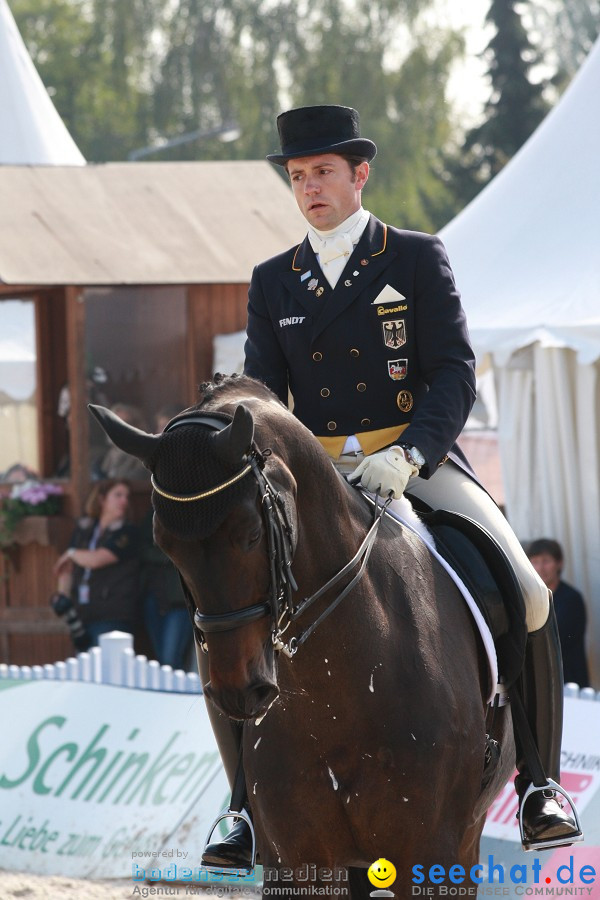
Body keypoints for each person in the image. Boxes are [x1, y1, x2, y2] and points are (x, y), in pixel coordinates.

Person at [201, 105, 580, 868]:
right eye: (298, 176)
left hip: (416, 465)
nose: (310, 188)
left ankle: (540, 783)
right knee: (226, 606)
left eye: (323, 173)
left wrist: (409, 455)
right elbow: (264, 389)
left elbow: (454, 372)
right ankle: (241, 803)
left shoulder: (412, 257)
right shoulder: (276, 280)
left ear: (359, 174)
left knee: (525, 589)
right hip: (315, 479)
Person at [52, 479, 140, 645]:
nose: (124, 501)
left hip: (112, 616)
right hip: (83, 616)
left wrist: (71, 553)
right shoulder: (85, 529)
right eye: (118, 495)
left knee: (107, 667)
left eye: (127, 496)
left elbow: (97, 559)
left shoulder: (128, 532)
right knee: (85, 667)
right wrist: (62, 596)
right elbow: (67, 569)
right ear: (101, 499)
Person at [141, 406, 194, 670]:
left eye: (164, 430)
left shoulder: (191, 479)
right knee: (161, 661)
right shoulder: (156, 479)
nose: (158, 436)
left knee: (170, 663)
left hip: (179, 595)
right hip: (157, 594)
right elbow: (145, 543)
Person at [527, 539, 590, 688]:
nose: (540, 568)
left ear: (559, 563)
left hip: (569, 682)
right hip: (541, 682)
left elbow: (554, 637)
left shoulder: (571, 598)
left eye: (546, 561)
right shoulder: (529, 599)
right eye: (535, 562)